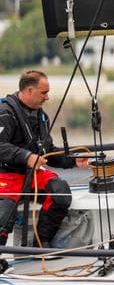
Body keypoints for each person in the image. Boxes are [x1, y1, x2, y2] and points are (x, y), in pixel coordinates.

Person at [0, 71, 89, 246]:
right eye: (44, 93)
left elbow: (47, 151)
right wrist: (27, 157)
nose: (47, 97)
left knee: (60, 192)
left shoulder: (42, 118)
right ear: (29, 90)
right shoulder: (4, 113)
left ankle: (41, 242)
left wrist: (72, 160)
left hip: (32, 174)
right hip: (6, 174)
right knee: (5, 210)